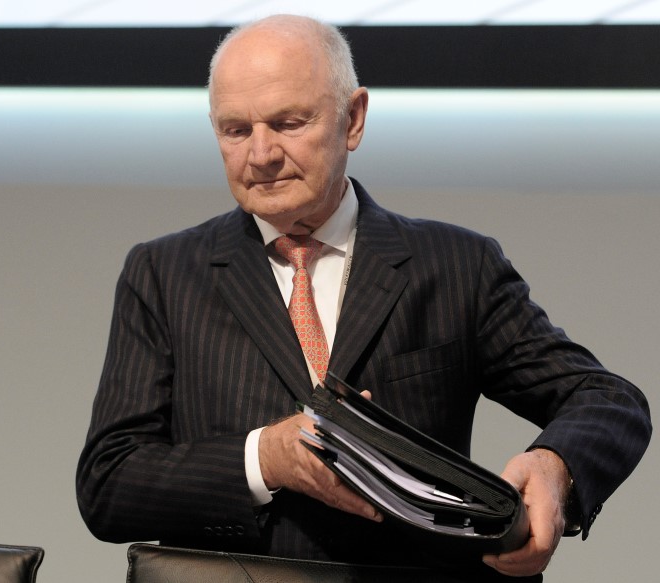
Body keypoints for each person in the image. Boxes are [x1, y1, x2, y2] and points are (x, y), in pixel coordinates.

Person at [76, 14, 651, 580]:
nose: (261, 154)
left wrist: (556, 470)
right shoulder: (163, 272)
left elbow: (607, 400)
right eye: (236, 130)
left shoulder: (456, 265)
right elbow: (109, 483)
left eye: (288, 123)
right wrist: (266, 458)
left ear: (353, 119)